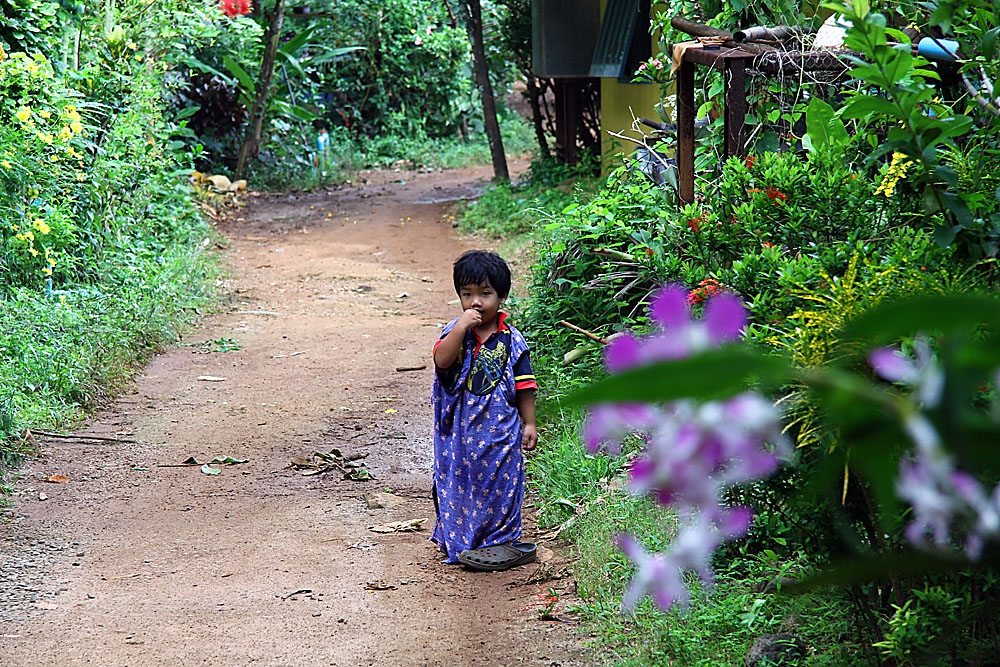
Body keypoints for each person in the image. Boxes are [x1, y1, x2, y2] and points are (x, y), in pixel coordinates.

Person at [430, 250, 538, 570]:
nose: (475, 302)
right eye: (467, 294)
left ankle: (501, 540)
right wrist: (461, 328)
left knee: (502, 484)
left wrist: (529, 423)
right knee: (460, 484)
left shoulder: (513, 340)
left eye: (485, 293)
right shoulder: (455, 332)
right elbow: (441, 361)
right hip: (460, 435)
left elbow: (525, 386)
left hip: (501, 431)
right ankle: (464, 539)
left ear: (502, 296)